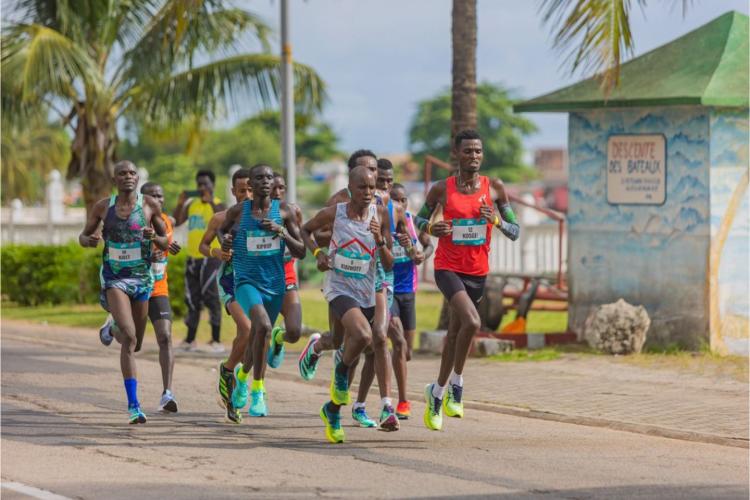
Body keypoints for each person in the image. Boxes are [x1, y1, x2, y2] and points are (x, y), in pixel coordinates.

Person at [414, 130, 520, 431]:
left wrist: (496, 221)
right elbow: (417, 220)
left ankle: (436, 393)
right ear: (456, 154)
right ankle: (457, 385)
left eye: (478, 151)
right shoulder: (441, 189)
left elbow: (515, 230)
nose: (474, 156)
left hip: (477, 271)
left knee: (455, 333)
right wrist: (432, 229)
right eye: (468, 151)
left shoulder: (494, 188)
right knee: (472, 323)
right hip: (447, 267)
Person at [297, 150, 400, 431]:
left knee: (362, 341)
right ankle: (342, 372)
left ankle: (333, 409)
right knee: (365, 336)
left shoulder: (381, 213)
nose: (369, 192)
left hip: (368, 286)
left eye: (372, 186)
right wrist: (318, 253)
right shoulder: (336, 211)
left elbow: (389, 263)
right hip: (339, 286)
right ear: (350, 189)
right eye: (362, 187)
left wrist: (380, 241)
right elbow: (306, 230)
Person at [79, 160, 168, 424]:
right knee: (129, 338)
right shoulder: (103, 207)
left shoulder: (150, 205)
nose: (128, 176)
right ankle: (134, 406)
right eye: (122, 173)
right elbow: (82, 237)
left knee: (136, 343)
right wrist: (90, 240)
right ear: (114, 178)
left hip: (142, 279)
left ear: (137, 177)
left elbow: (166, 240)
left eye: (132, 173)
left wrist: (155, 238)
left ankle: (110, 330)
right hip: (115, 279)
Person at [221, 164, 306, 418]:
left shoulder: (285, 212)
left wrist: (281, 232)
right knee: (263, 326)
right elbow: (221, 230)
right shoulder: (238, 211)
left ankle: (243, 374)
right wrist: (224, 241)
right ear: (252, 183)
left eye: (269, 177)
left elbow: (301, 250)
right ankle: (258, 389)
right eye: (260, 178)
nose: (265, 182)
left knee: (261, 336)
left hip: (275, 284)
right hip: (247, 281)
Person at [198, 168, 253, 423]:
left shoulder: (263, 218)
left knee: (249, 336)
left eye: (251, 190)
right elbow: (203, 245)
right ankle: (228, 369)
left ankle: (231, 388)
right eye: (242, 191)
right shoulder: (221, 218)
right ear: (233, 192)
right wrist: (217, 254)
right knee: (247, 327)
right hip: (231, 280)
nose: (247, 195)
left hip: (257, 280)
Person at [390, 182, 434, 418]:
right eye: (394, 199)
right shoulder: (383, 222)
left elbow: (429, 246)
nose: (399, 203)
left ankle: (385, 361)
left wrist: (420, 256)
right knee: (398, 342)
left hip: (409, 290)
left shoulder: (413, 221)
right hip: (387, 290)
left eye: (402, 199)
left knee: (406, 352)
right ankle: (402, 401)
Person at [173, 170, 226, 352]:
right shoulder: (191, 205)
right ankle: (190, 340)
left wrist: (210, 200)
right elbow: (178, 222)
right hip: (192, 258)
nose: (202, 187)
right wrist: (180, 204)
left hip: (210, 259)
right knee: (192, 300)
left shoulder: (220, 205)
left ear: (213, 185)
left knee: (211, 299)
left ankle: (216, 340)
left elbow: (224, 221)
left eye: (206, 184)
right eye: (199, 185)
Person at [268, 173, 303, 367]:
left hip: (286, 274)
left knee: (294, 331)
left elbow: (301, 242)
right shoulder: (254, 212)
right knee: (255, 333)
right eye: (273, 187)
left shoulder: (292, 211)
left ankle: (279, 338)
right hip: (260, 278)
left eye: (282, 188)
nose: (277, 192)